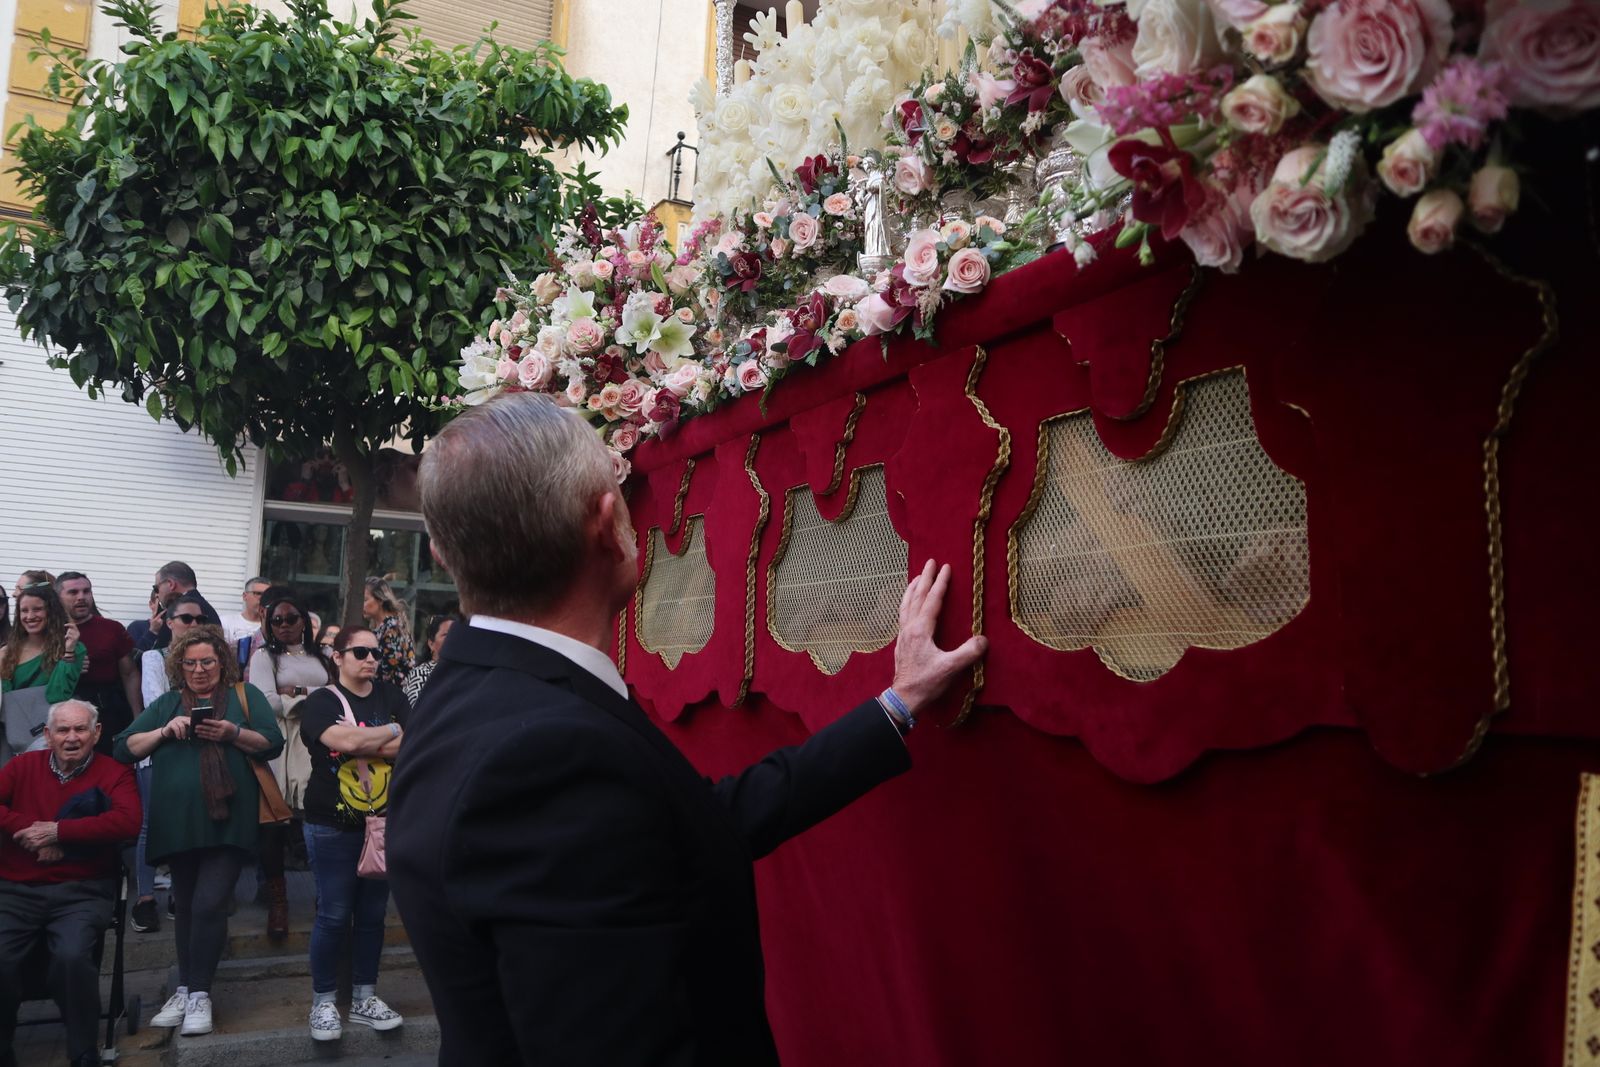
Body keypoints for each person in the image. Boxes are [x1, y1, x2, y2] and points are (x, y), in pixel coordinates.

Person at [388, 394, 986, 1064]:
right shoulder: (547, 754)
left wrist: (897, 703)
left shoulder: (468, 693)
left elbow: (694, 826)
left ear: (442, 552)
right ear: (608, 522)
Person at [113, 628, 284, 1038]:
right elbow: (122, 747)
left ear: (221, 663)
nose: (199, 670)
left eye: (207, 661)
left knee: (209, 904)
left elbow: (272, 743)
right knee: (186, 905)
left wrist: (232, 733)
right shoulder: (169, 703)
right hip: (177, 822)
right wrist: (162, 731)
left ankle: (201, 994)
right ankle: (187, 989)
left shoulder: (245, 696)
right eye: (190, 663)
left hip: (229, 820)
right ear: (178, 666)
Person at [0, 699, 141, 1067]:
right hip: (16, 890)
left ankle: (83, 1049)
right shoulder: (22, 766)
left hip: (82, 890)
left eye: (81, 729)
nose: (72, 737)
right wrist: (25, 831)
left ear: (97, 733)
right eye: (63, 730)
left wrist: (60, 832)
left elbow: (127, 822)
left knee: (72, 956)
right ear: (48, 735)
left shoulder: (114, 772)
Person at [297, 627, 406, 1041]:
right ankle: (323, 1003)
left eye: (376, 652)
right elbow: (341, 738)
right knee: (334, 913)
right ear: (338, 657)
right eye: (360, 651)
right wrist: (390, 731)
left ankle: (365, 997)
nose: (371, 659)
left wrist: (367, 740)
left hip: (381, 823)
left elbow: (410, 742)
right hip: (330, 823)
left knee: (373, 915)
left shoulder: (391, 695)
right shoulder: (322, 700)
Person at [246, 590, 335, 942]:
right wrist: (315, 695)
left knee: (321, 819)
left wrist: (295, 691)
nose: (283, 626)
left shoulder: (324, 655)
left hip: (319, 741)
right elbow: (265, 705)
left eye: (291, 618)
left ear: (305, 620)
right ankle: (278, 902)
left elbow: (336, 694)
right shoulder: (263, 657)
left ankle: (324, 896)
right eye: (276, 620)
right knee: (274, 823)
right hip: (280, 744)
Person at [127, 593, 210, 934]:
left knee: (188, 821)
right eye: (186, 618)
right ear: (169, 622)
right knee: (150, 824)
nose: (193, 625)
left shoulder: (211, 659)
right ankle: (145, 898)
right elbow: (157, 702)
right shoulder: (153, 657)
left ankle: (180, 893)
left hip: (199, 750)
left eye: (199, 619)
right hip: (159, 748)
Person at [56, 573, 143, 752]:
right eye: (73, 592)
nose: (81, 597)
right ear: (58, 598)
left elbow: (129, 673)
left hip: (110, 712)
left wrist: (138, 717)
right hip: (66, 715)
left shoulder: (111, 629)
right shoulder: (51, 633)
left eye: (86, 591)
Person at [1, 584, 85, 706]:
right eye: (24, 610)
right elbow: (4, 700)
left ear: (52, 611)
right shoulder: (6, 653)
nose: (30, 616)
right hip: (14, 722)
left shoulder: (73, 648)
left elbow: (57, 696)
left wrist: (69, 652)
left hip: (54, 722)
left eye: (37, 609)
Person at [149, 562, 220, 651]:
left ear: (171, 584)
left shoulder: (177, 609)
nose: (156, 594)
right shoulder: (206, 608)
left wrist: (152, 632)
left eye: (156, 588)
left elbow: (157, 652)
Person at [360, 578, 414, 687]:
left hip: (392, 693)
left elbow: (387, 669)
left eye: (365, 600)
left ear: (380, 600)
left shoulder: (392, 627)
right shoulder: (382, 626)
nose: (362, 605)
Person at [400, 613, 457, 710]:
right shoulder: (420, 674)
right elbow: (416, 713)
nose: (453, 638)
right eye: (446, 635)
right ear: (431, 644)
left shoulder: (463, 672)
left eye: (456, 634)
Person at [218, 577, 271, 648]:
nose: (262, 598)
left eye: (267, 595)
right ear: (245, 596)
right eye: (258, 593)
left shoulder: (274, 626)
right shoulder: (225, 622)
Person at [126, 586, 161, 650]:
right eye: (160, 601)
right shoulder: (136, 627)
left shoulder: (179, 626)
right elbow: (134, 657)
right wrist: (152, 631)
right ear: (151, 604)